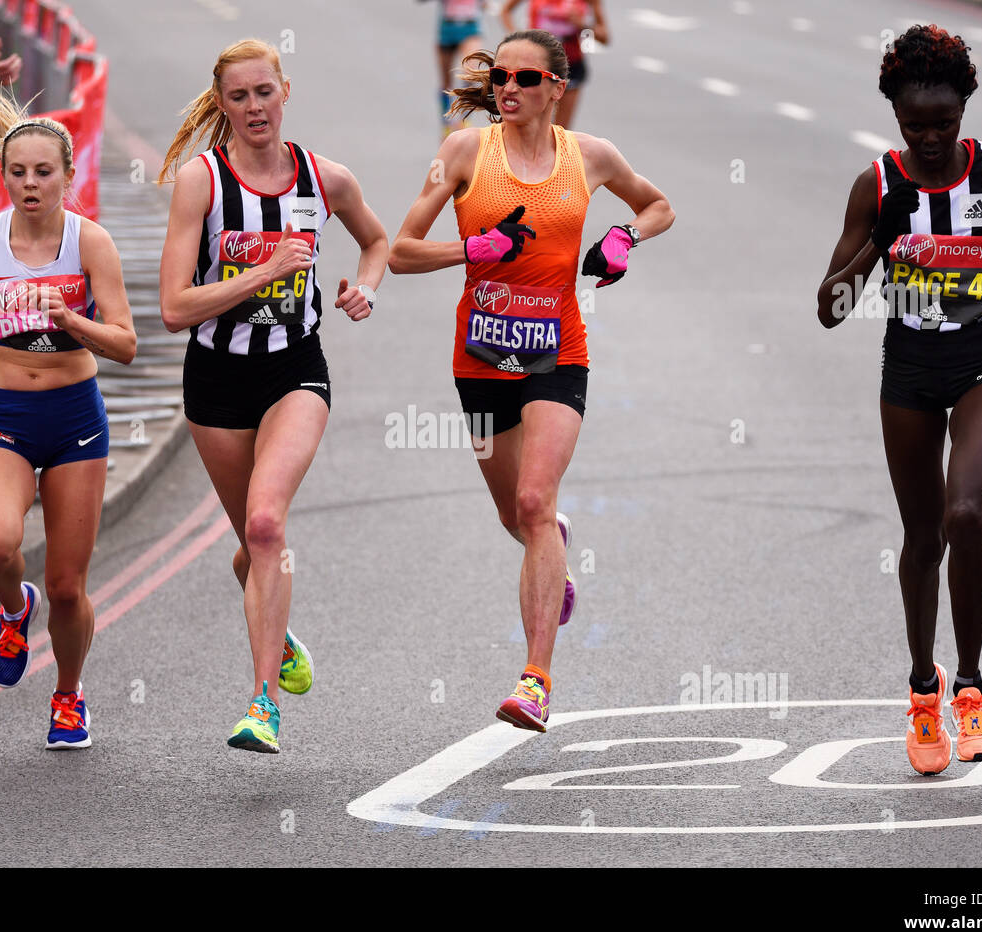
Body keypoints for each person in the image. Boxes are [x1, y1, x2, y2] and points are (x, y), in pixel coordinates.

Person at [388, 29, 673, 731]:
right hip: (480, 359)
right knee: (514, 515)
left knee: (534, 499)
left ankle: (535, 679)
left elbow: (659, 205)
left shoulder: (592, 156)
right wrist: (472, 248)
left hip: (556, 352)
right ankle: (552, 551)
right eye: (500, 77)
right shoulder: (462, 153)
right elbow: (399, 251)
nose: (506, 88)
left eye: (522, 77)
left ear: (556, 87)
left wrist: (622, 239)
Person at [817, 25, 982, 774]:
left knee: (965, 512)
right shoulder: (877, 185)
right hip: (909, 371)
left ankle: (973, 687)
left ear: (963, 110)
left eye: (941, 123)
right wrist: (875, 245)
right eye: (913, 124)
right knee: (923, 536)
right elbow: (829, 306)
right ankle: (925, 691)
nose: (927, 137)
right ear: (894, 114)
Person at [157, 38, 388, 754]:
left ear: (285, 90)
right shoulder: (202, 182)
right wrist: (261, 273)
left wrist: (364, 287)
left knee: (264, 527)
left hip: (295, 371)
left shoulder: (326, 180)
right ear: (220, 104)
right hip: (216, 381)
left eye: (265, 92)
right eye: (238, 97)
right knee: (249, 549)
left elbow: (377, 241)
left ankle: (262, 704)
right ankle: (277, 627)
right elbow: (173, 307)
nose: (254, 107)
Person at [0, 66, 137, 749]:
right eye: (18, 172)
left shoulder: (89, 242)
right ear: (4, 175)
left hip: (74, 419)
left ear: (67, 176)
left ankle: (68, 696)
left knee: (69, 588)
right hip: (3, 418)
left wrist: (73, 319)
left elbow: (126, 344)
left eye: (44, 171)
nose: (31, 184)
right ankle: (14, 612)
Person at [500, 0, 607, 129]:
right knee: (526, 126)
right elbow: (505, 11)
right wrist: (518, 42)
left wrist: (582, 25)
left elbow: (604, 36)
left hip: (570, 65)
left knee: (561, 130)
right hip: (534, 68)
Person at [427, 0, 486, 139]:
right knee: (446, 83)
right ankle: (447, 124)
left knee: (470, 74)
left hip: (470, 27)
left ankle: (464, 121)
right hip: (447, 27)